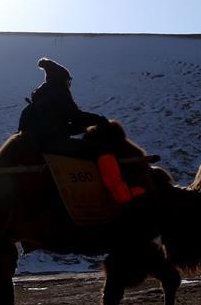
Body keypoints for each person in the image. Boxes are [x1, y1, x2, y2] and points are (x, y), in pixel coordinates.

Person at [18, 58, 143, 204]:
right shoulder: (58, 93)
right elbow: (75, 117)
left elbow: (55, 126)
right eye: (68, 81)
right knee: (102, 150)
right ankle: (120, 193)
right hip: (53, 145)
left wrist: (80, 128)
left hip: (38, 145)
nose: (69, 85)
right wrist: (100, 120)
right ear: (61, 80)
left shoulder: (40, 100)